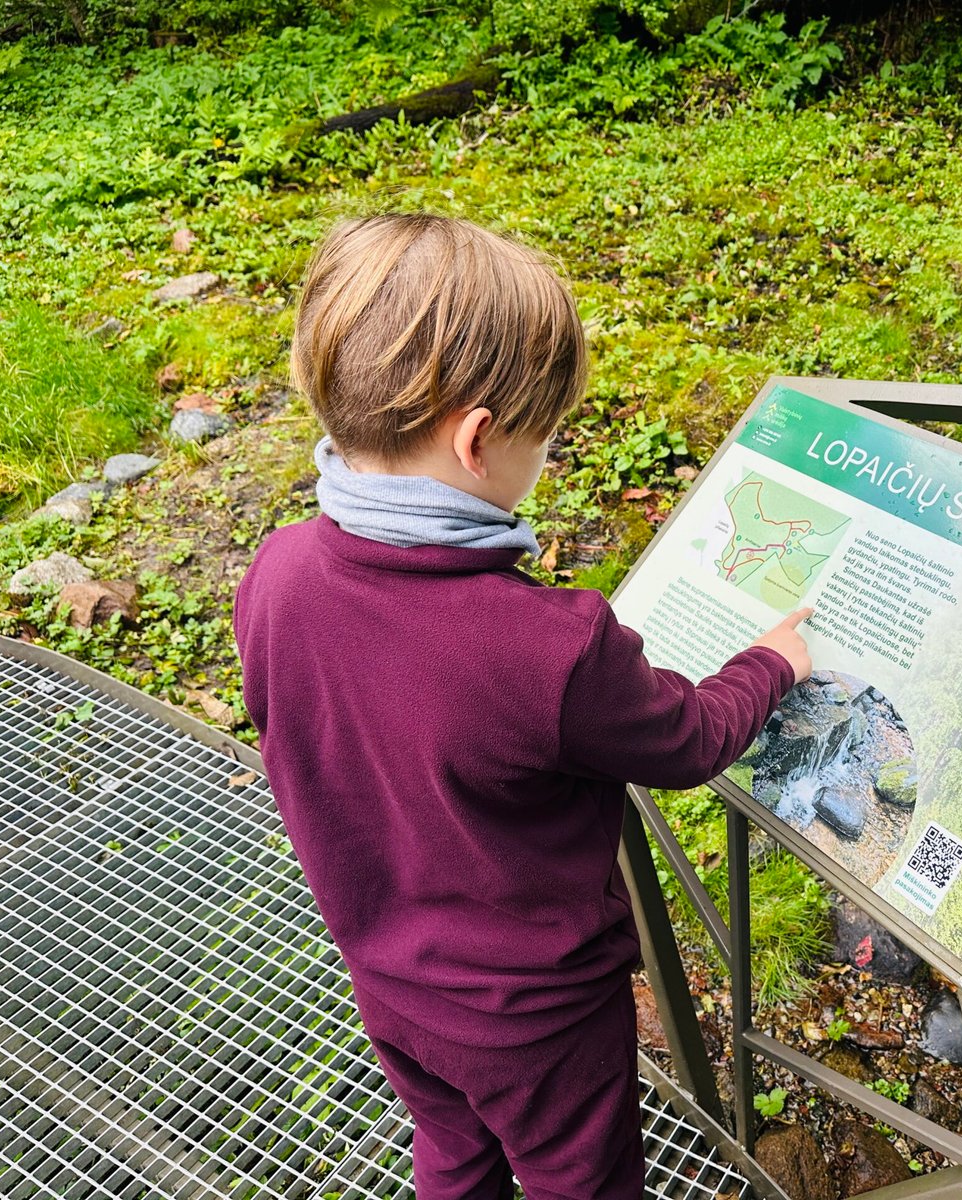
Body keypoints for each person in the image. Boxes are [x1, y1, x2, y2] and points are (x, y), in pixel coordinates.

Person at [232, 212, 811, 1200]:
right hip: (540, 1018)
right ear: (477, 441)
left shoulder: (277, 572)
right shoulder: (550, 647)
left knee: (453, 1150)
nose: (547, 458)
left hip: (386, 978)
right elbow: (685, 737)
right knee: (576, 1180)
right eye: (545, 438)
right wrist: (771, 662)